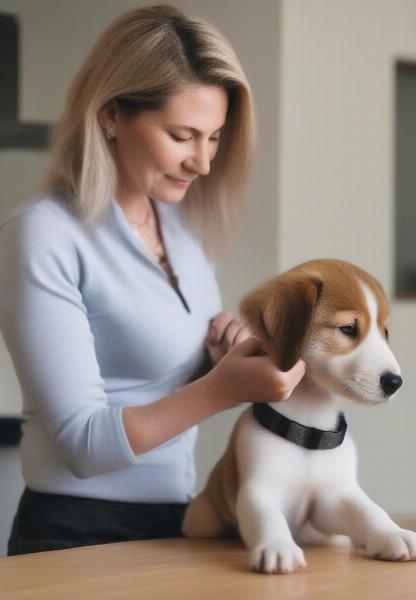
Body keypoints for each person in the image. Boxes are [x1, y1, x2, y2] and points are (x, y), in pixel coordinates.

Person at [0, 4, 305, 556]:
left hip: (180, 521)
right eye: (183, 135)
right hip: (76, 534)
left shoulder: (181, 226)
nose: (203, 163)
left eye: (214, 137)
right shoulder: (42, 234)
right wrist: (221, 389)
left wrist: (219, 356)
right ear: (112, 115)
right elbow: (83, 448)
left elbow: (163, 380)